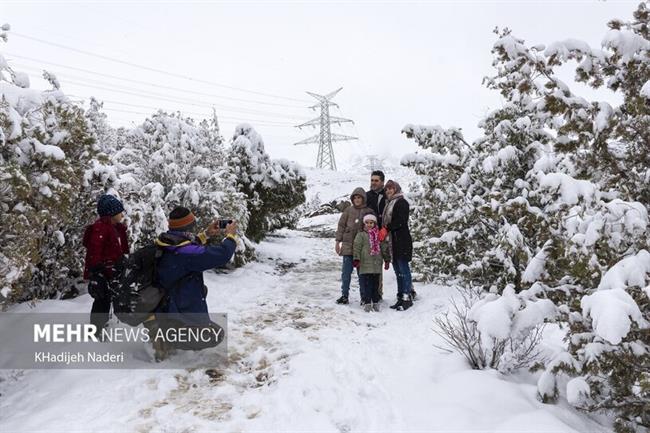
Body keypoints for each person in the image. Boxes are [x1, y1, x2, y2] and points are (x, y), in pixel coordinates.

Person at [148, 207, 238, 360]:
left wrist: (206, 234)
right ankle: (167, 337)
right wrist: (230, 236)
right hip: (176, 306)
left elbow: (186, 245)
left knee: (202, 290)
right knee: (214, 335)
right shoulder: (185, 253)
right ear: (187, 226)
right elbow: (221, 255)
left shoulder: (166, 241)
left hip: (167, 302)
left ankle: (167, 328)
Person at [83, 194, 129, 335]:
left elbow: (121, 248)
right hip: (102, 271)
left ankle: (109, 324)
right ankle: (96, 330)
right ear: (111, 214)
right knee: (102, 300)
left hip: (115, 270)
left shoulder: (118, 228)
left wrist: (124, 261)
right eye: (120, 212)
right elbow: (94, 249)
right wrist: (96, 272)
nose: (122, 214)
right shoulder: (101, 228)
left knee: (113, 298)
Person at [335, 187, 374, 305]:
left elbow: (373, 229)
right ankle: (344, 295)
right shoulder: (348, 211)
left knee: (361, 275)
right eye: (355, 197)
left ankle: (364, 297)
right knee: (346, 274)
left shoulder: (369, 211)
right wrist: (337, 242)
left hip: (362, 249)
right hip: (347, 247)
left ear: (363, 198)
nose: (357, 200)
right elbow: (341, 226)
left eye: (359, 197)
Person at [381, 180, 415, 311]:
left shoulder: (401, 202)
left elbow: (400, 221)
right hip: (393, 242)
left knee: (403, 269)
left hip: (401, 241)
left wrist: (387, 228)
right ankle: (400, 296)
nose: (389, 191)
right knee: (398, 271)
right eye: (387, 189)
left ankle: (407, 297)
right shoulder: (388, 204)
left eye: (391, 188)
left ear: (396, 189)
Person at [353, 214, 391, 312]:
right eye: (367, 223)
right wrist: (356, 259)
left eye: (371, 223)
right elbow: (357, 247)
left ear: (374, 223)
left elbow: (383, 247)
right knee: (366, 284)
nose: (369, 225)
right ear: (364, 224)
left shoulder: (378, 234)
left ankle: (375, 302)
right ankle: (367, 302)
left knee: (376, 284)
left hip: (376, 263)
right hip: (365, 263)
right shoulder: (361, 234)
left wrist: (387, 259)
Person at [365, 170, 387, 300]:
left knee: (396, 263)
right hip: (371, 235)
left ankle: (408, 290)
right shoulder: (367, 196)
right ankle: (376, 293)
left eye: (376, 180)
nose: (373, 183)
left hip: (387, 233)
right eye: (372, 180)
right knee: (374, 264)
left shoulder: (388, 194)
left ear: (382, 182)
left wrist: (385, 228)